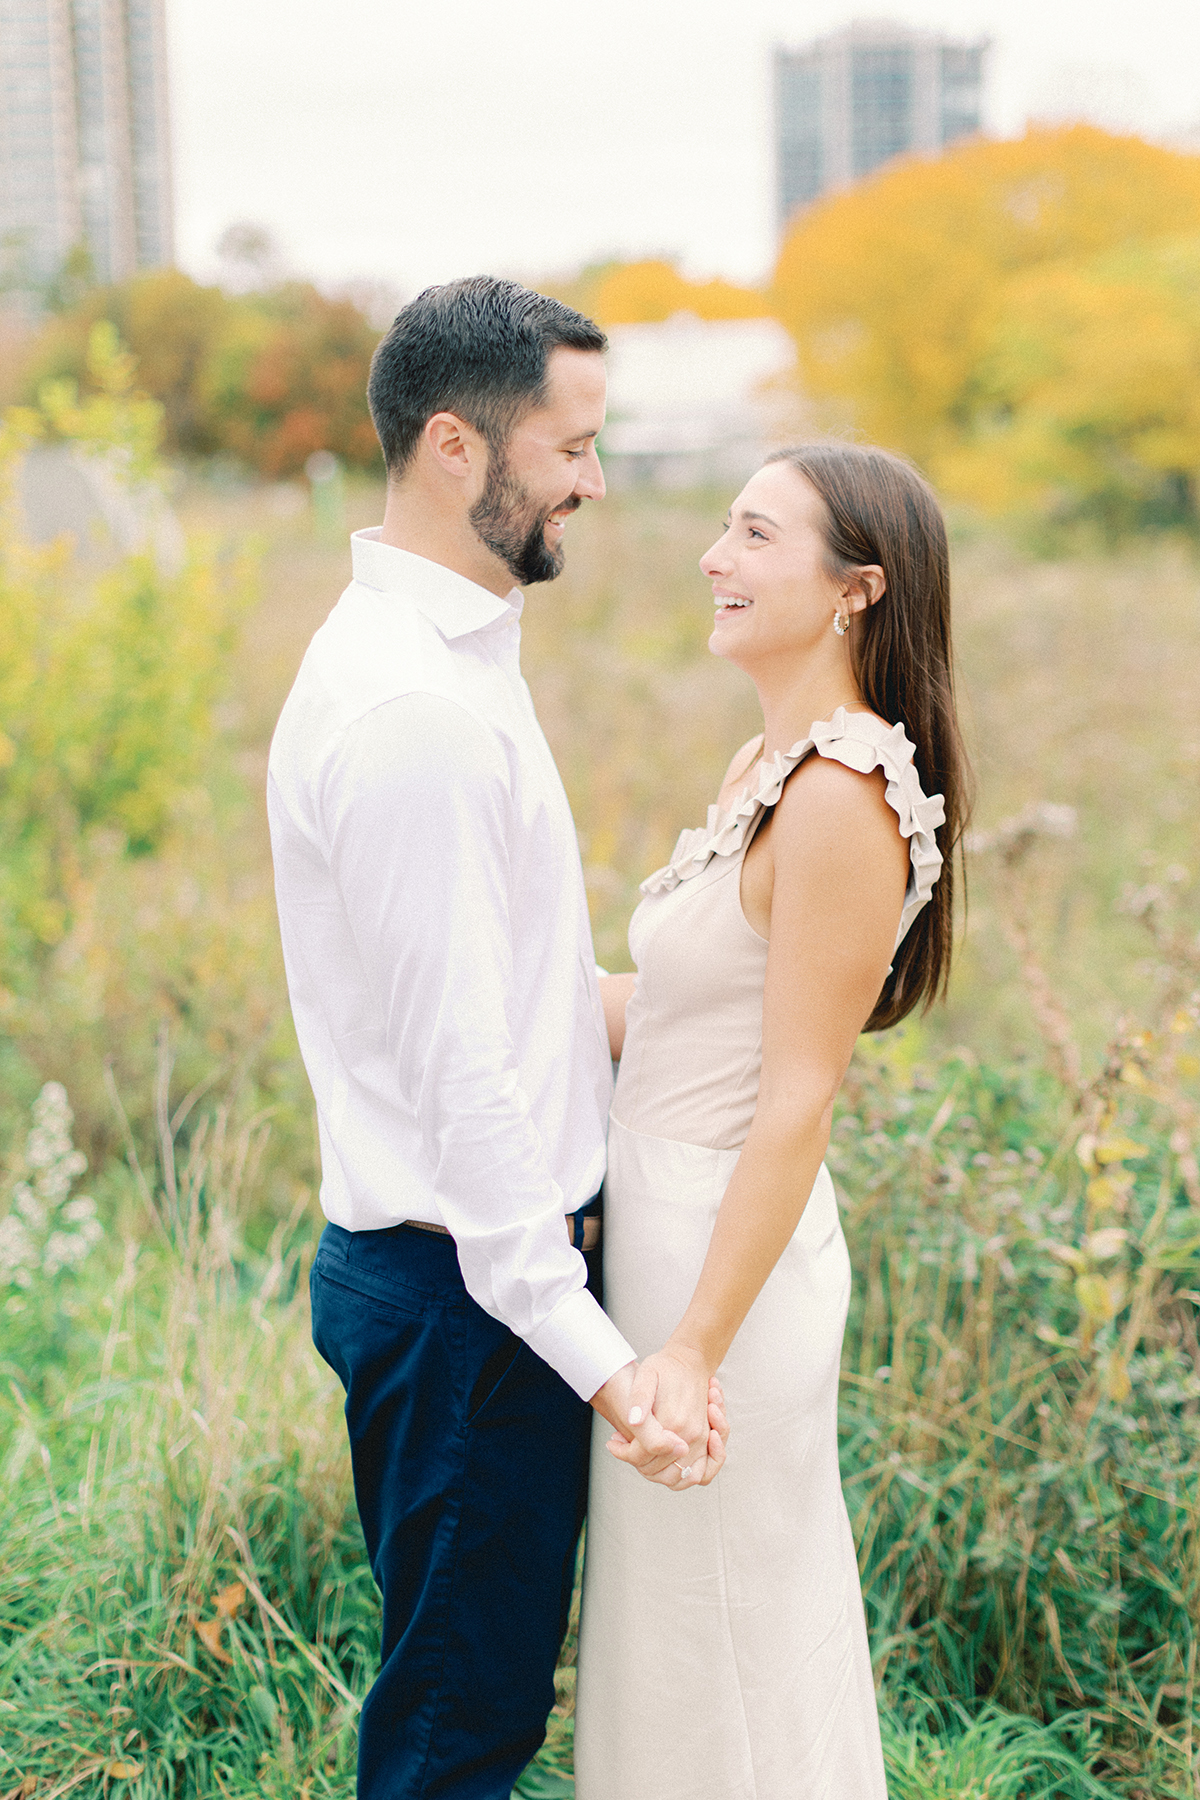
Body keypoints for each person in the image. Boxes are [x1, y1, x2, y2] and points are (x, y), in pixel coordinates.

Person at [266, 277, 727, 1800]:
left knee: (468, 1699)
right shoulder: (414, 716)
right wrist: (608, 1369)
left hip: (463, 1292)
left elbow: (499, 991)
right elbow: (470, 1096)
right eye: (572, 447)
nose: (594, 482)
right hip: (475, 1300)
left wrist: (708, 992)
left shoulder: (460, 658)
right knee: (459, 1737)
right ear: (457, 446)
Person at [575, 441, 970, 1798]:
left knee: (730, 1643)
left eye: (754, 536)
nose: (714, 558)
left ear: (855, 588)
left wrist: (691, 1351)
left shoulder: (842, 797)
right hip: (669, 1229)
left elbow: (798, 1095)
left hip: (723, 1269)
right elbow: (685, 1015)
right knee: (674, 1641)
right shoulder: (769, 761)